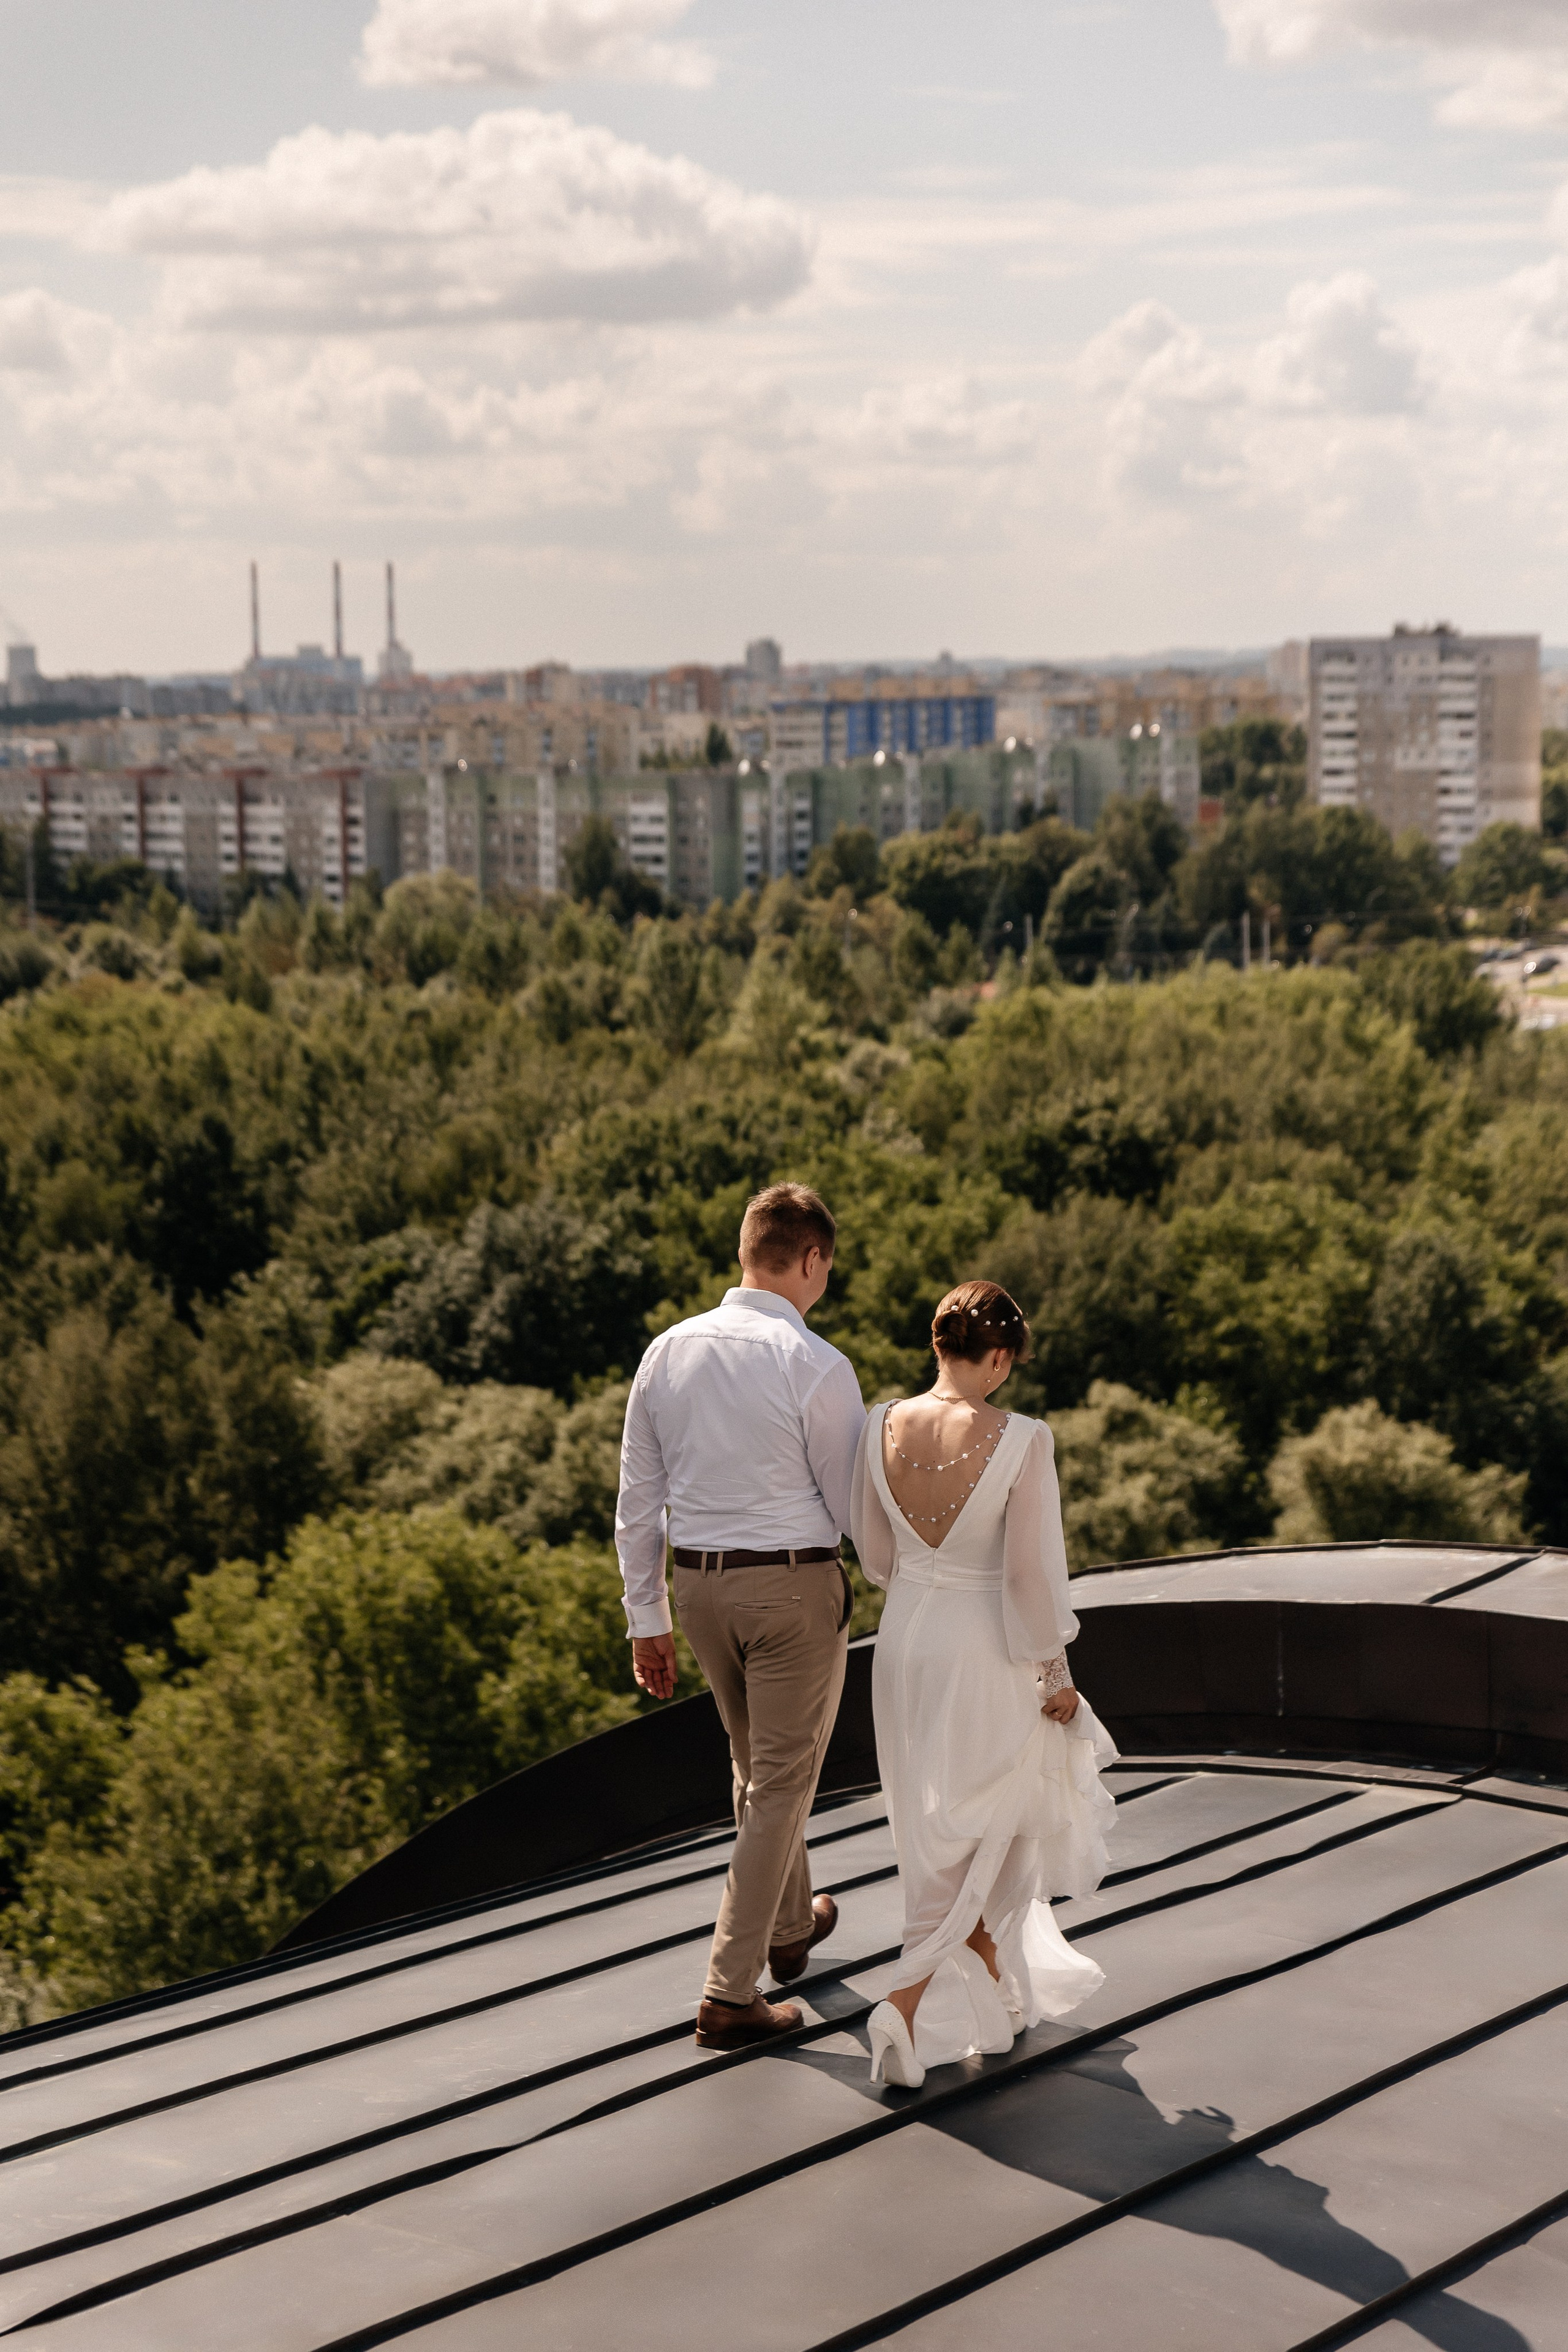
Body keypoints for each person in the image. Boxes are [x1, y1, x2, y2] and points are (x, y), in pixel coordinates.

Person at [615, 1182, 867, 2052]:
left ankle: (792, 1925)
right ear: (811, 1262)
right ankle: (729, 1992)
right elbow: (849, 1506)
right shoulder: (817, 1364)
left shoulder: (666, 1352)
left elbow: (637, 1497)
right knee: (781, 1783)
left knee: (754, 1767)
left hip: (698, 1592)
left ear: (742, 1253)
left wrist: (644, 1616)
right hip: (792, 1591)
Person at [850, 1280, 1117, 2089]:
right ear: (998, 1356)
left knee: (942, 1829)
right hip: (983, 1645)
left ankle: (997, 1994)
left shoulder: (878, 1423)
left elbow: (874, 1553)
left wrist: (927, 1582)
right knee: (985, 1823)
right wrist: (1056, 1675)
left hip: (901, 1642)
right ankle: (899, 2003)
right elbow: (1032, 1577)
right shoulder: (1024, 1438)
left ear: (939, 1343)